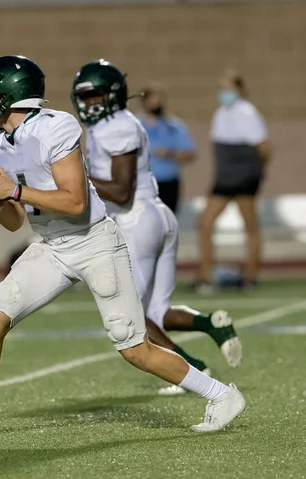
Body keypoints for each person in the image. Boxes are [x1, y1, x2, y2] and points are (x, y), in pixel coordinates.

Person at [0, 55, 246, 438]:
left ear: (7, 95)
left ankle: (221, 395)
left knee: (134, 349)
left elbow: (76, 202)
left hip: (94, 242)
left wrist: (12, 189)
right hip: (50, 244)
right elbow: (16, 219)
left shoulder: (55, 127)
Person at [71, 60, 242, 396]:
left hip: (137, 220)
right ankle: (210, 325)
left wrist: (77, 177)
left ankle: (190, 368)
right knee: (157, 311)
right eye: (84, 97)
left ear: (113, 96)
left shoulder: (115, 127)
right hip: (156, 214)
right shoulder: (116, 123)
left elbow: (122, 190)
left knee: (131, 313)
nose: (88, 104)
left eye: (95, 96)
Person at [196, 69, 271, 294]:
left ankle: (250, 277)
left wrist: (255, 171)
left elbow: (264, 148)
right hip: (224, 178)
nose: (224, 93)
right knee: (205, 224)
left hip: (244, 177)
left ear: (239, 90)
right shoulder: (219, 114)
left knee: (250, 227)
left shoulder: (248, 113)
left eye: (228, 88)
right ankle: (206, 277)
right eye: (221, 88)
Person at [138, 82, 196, 214]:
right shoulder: (136, 126)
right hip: (142, 184)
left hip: (169, 184)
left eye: (159, 100)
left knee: (168, 224)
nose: (156, 104)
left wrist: (170, 154)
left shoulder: (174, 126)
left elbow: (190, 154)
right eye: (152, 100)